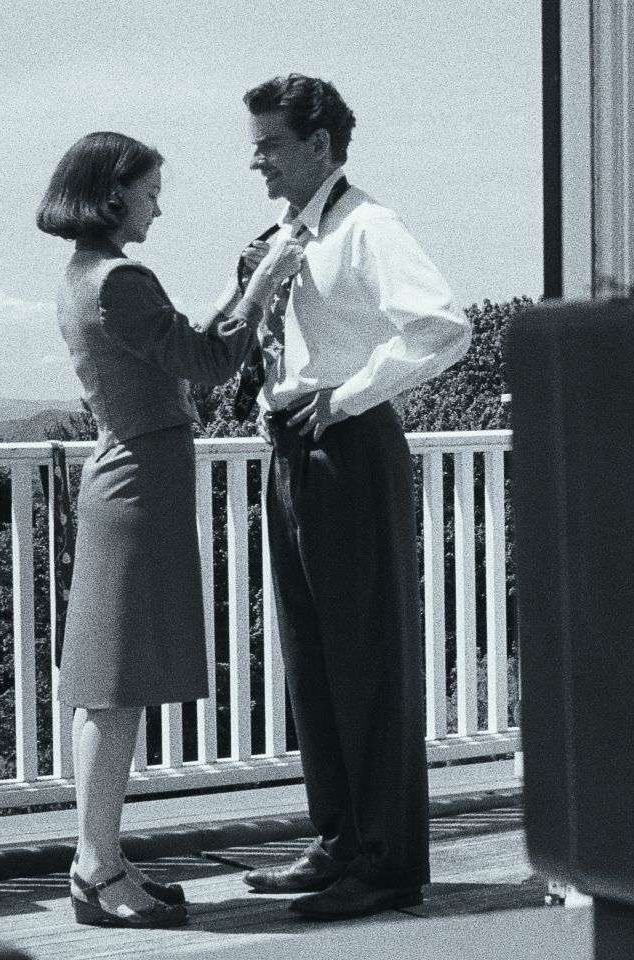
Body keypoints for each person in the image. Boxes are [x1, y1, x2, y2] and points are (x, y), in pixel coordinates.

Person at [34, 131, 306, 929]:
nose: (159, 202)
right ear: (113, 194)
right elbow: (212, 363)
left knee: (111, 690)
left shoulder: (87, 275)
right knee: (115, 694)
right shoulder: (120, 278)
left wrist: (240, 286)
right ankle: (94, 870)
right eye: (151, 189)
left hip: (128, 482)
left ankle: (103, 861)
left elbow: (186, 344)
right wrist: (264, 286)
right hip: (138, 489)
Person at [228, 74, 472, 921]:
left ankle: (389, 860)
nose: (256, 160)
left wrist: (346, 397)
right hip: (291, 454)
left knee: (367, 657)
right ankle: (339, 840)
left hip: (347, 449)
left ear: (320, 145)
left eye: (270, 144)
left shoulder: (369, 226)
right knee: (312, 657)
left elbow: (442, 327)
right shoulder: (287, 235)